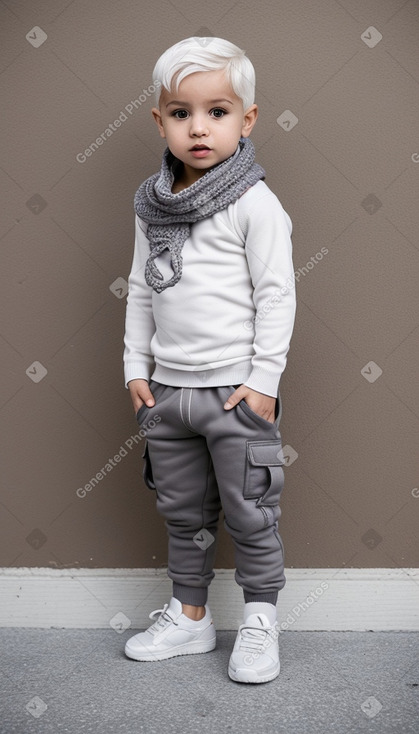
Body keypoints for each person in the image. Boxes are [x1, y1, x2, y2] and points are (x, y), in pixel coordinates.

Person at [123, 36, 296, 684]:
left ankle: (258, 620)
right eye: (181, 112)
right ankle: (190, 616)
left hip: (233, 394)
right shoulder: (150, 207)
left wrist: (262, 382)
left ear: (246, 119)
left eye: (217, 111)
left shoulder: (255, 205)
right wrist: (135, 370)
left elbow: (277, 293)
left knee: (251, 509)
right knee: (181, 512)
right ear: (160, 120)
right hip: (168, 393)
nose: (198, 126)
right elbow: (141, 287)